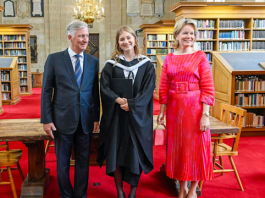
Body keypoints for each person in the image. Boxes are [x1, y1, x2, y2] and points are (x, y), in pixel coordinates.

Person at [41, 20, 100, 198]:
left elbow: (94, 92)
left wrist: (96, 117)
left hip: (85, 120)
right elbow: (46, 90)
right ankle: (66, 195)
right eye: (81, 36)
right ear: (70, 37)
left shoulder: (93, 61)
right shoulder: (54, 59)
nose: (85, 40)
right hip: (61, 120)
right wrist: (47, 119)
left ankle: (81, 195)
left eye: (87, 36)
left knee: (83, 162)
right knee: (63, 163)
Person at [157, 19, 215, 198]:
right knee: (180, 148)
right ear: (177, 35)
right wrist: (161, 112)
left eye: (191, 33)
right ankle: (181, 189)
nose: (189, 36)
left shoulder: (200, 56)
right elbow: (164, 86)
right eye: (185, 33)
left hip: (195, 108)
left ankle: (192, 190)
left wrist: (205, 114)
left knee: (196, 148)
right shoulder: (169, 57)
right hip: (175, 109)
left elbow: (208, 87)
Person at [97, 26, 156, 198]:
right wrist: (117, 100)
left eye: (128, 38)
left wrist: (132, 104)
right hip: (116, 117)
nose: (126, 42)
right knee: (115, 152)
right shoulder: (111, 65)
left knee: (134, 153)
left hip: (137, 118)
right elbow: (104, 87)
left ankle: (133, 190)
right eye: (122, 39)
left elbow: (148, 91)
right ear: (118, 43)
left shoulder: (146, 65)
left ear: (135, 40)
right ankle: (120, 190)